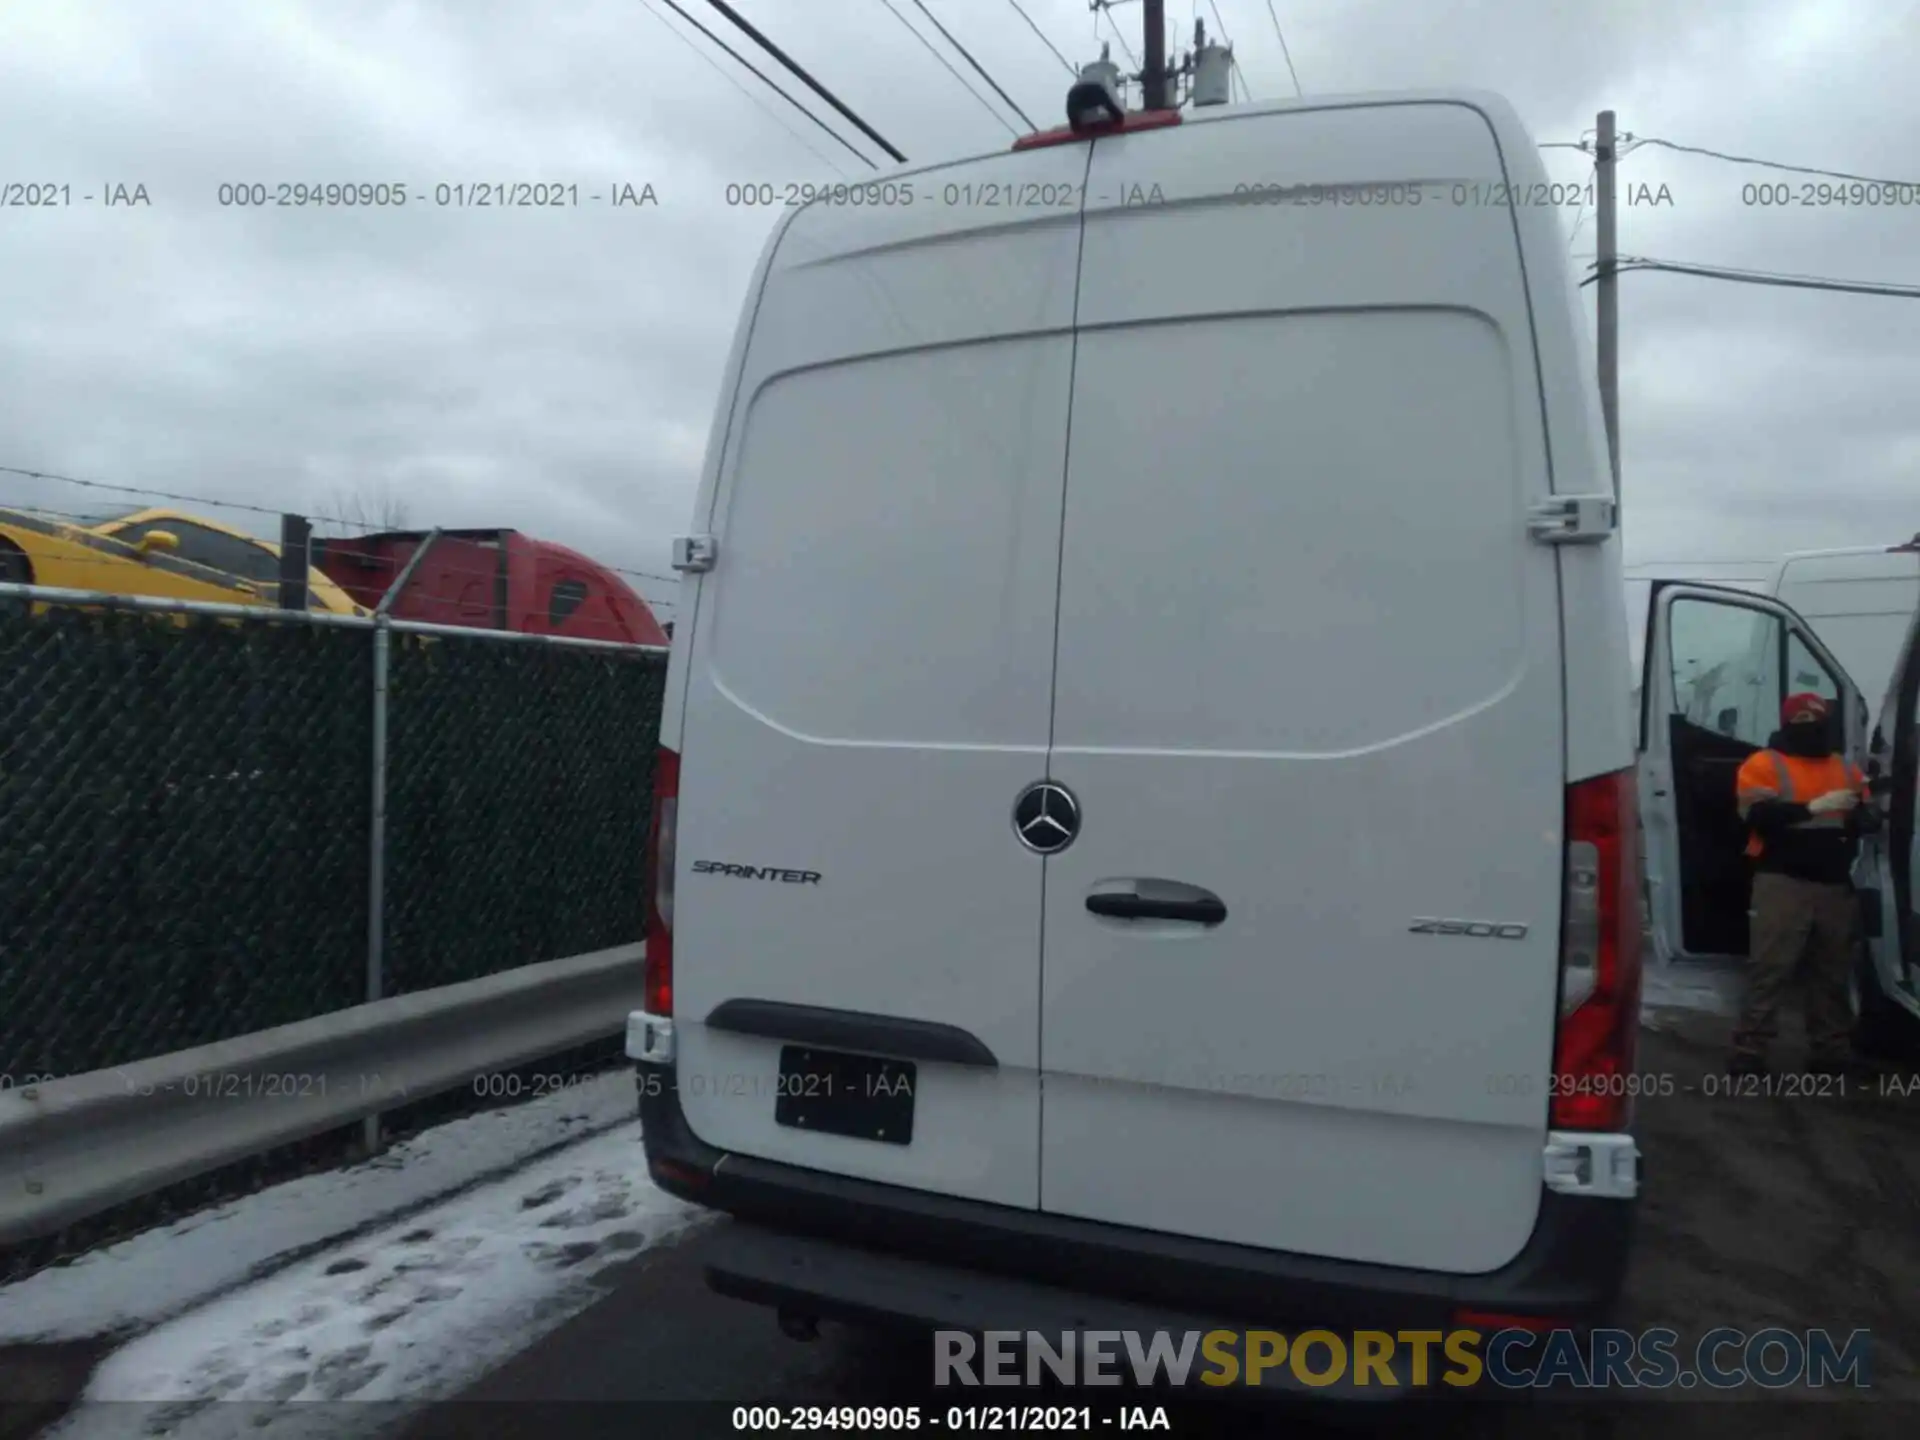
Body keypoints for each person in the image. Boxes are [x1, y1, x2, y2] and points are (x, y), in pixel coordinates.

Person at [1730, 692, 1878, 1078]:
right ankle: (1749, 1050)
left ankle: (1831, 1052)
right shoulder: (1763, 764)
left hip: (1833, 883)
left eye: (1816, 719)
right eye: (1802, 719)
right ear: (1787, 722)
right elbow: (1757, 815)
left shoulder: (1844, 767)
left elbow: (1864, 810)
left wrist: (1865, 815)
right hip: (1782, 880)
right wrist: (1813, 806)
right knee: (1770, 968)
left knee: (1833, 970)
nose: (1810, 727)